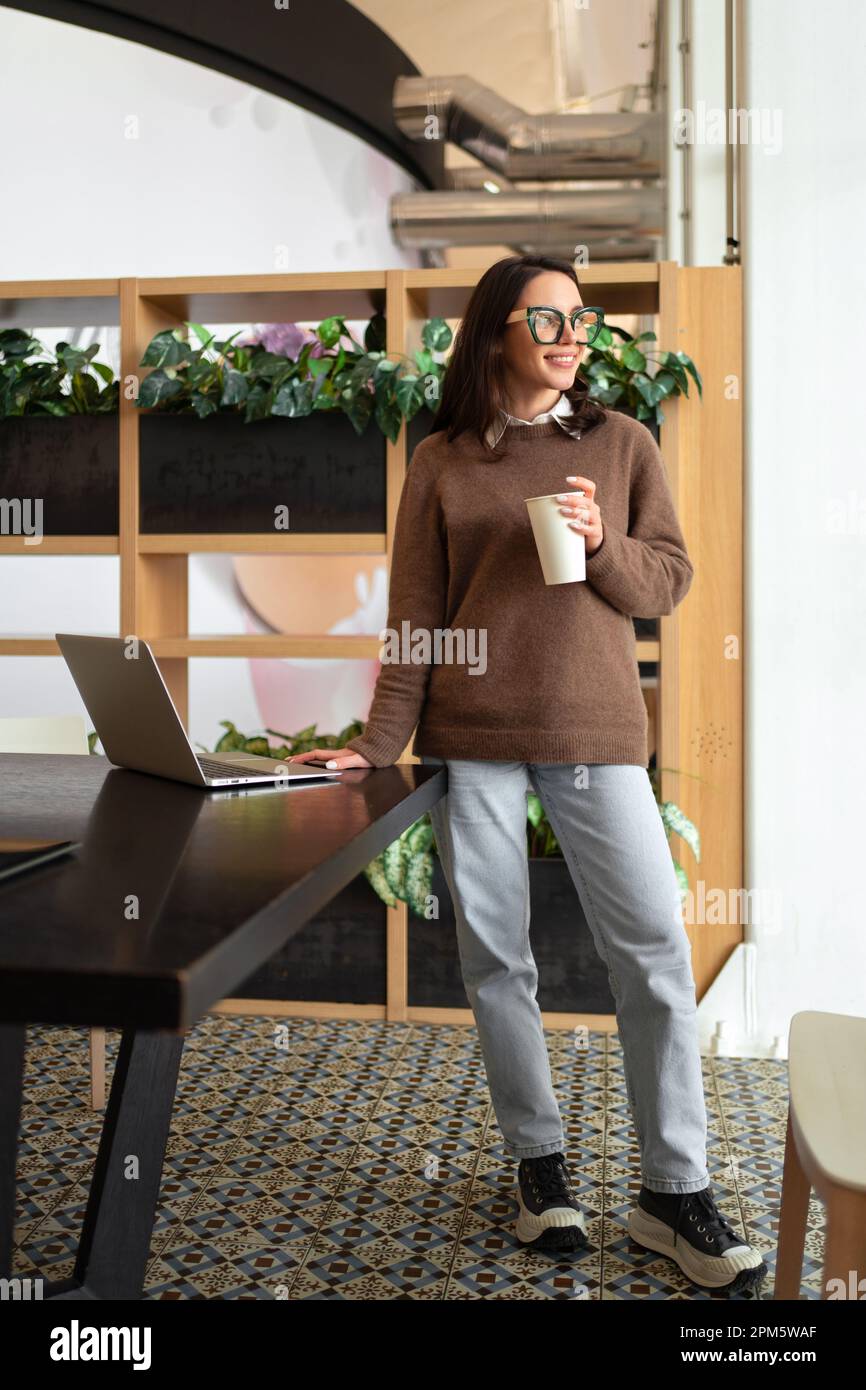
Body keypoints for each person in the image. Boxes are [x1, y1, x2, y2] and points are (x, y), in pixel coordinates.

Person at [289, 253, 767, 1295]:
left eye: (579, 317)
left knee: (648, 958)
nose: (568, 332)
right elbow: (413, 615)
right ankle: (538, 1168)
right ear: (495, 332)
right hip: (472, 743)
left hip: (596, 735)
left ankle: (670, 1191)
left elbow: (667, 580)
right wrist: (376, 744)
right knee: (497, 962)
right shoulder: (443, 460)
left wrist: (600, 546)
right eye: (543, 315)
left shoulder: (619, 442)